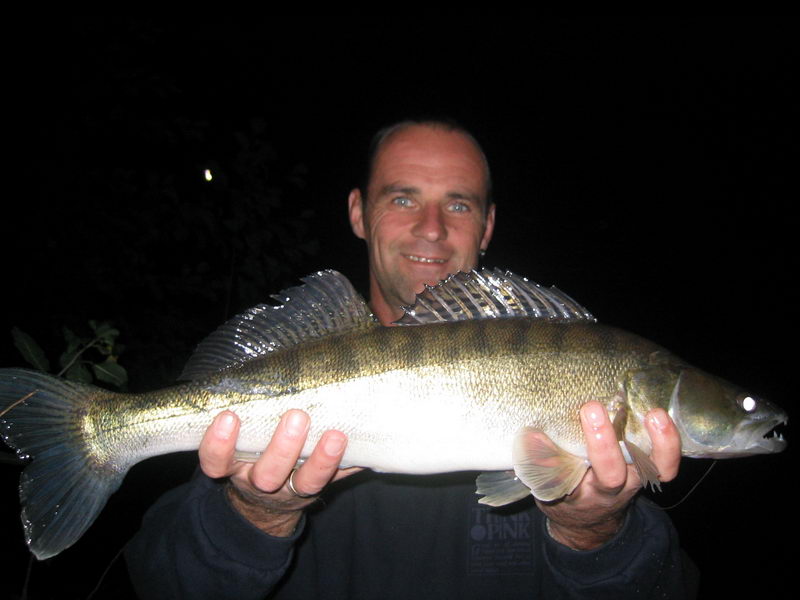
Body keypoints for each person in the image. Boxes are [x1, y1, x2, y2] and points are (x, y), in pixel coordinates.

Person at [126, 120, 694, 598]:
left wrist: (593, 531)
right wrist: (254, 515)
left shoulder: (594, 451)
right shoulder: (298, 366)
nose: (431, 227)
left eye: (458, 203)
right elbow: (159, 579)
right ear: (357, 212)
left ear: (488, 225)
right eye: (402, 198)